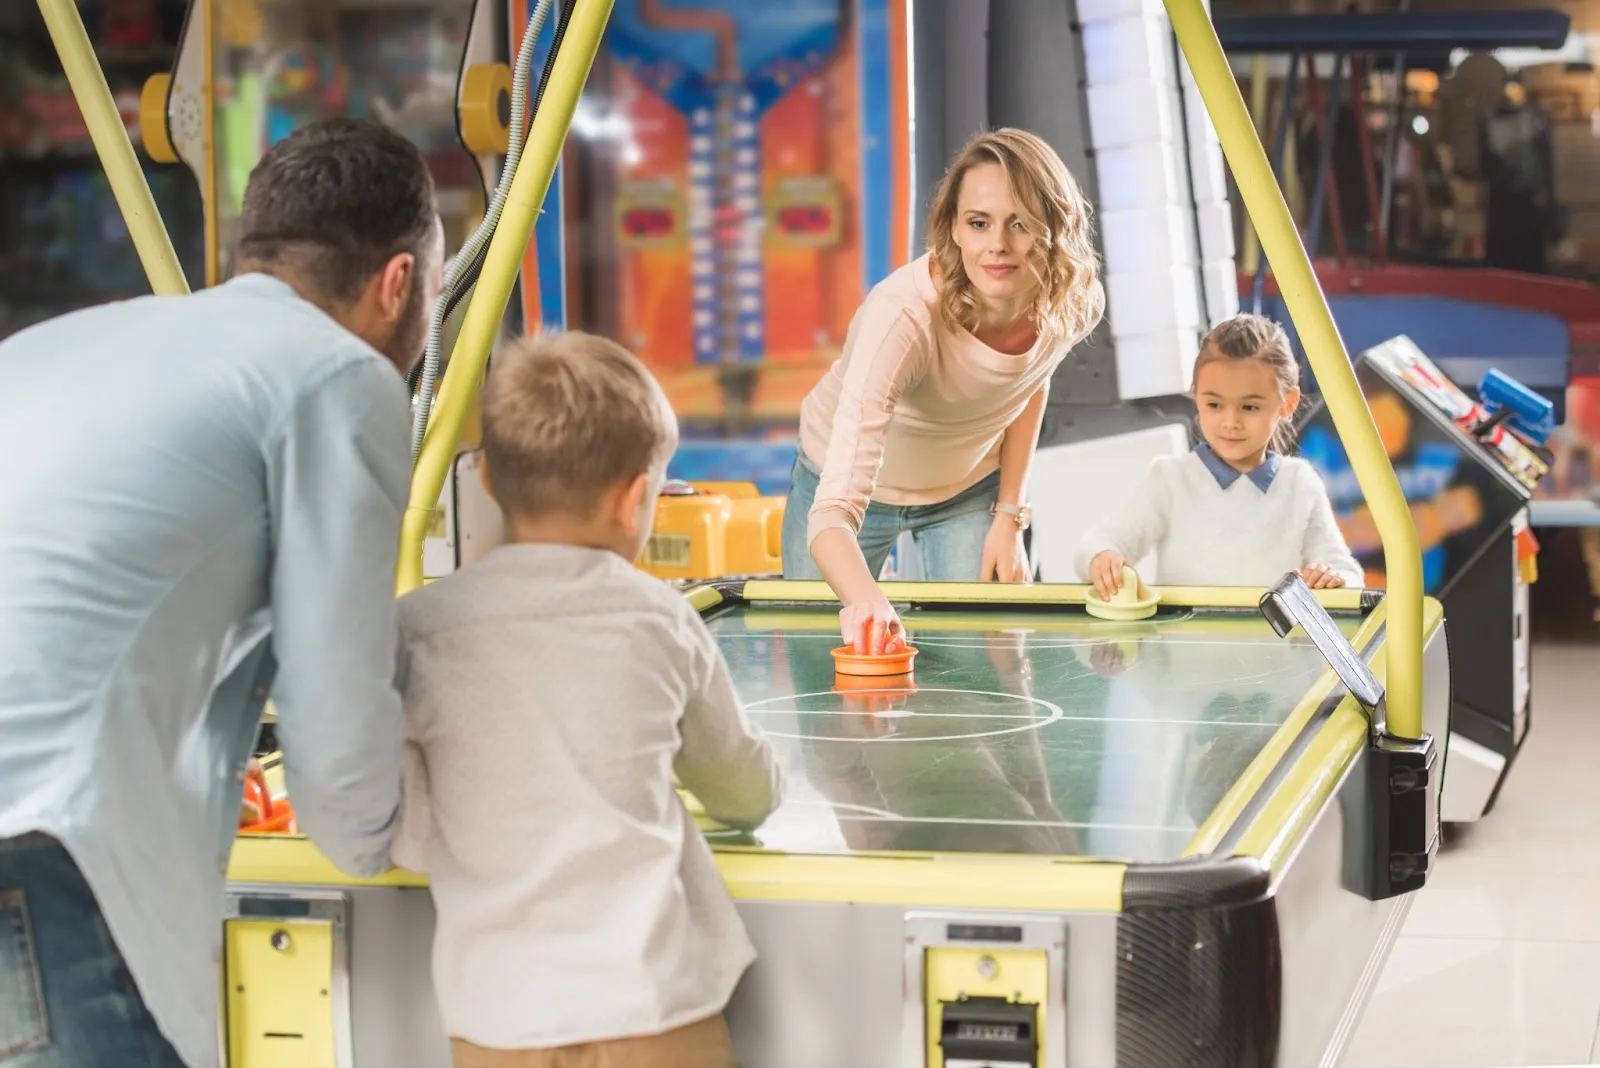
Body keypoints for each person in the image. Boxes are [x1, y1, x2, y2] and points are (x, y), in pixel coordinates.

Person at [0, 118, 443, 1068]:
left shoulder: (63, 346)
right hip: (30, 848)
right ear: (398, 283)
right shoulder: (337, 376)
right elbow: (336, 714)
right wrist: (430, 835)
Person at [388, 332, 784, 1068]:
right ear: (636, 498)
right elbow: (738, 786)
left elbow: (407, 831)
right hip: (653, 1005)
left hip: (497, 1020)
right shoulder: (660, 617)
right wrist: (767, 787)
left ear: (487, 483)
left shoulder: (419, 630)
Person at [784, 128, 1105, 655]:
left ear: (1055, 229)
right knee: (824, 663)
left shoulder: (1074, 300)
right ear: (953, 228)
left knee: (988, 667)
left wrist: (1010, 514)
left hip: (965, 489)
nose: (998, 245)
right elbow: (831, 513)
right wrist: (866, 602)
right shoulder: (903, 319)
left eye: (1021, 223)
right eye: (978, 223)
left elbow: (1026, 385)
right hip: (841, 491)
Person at [1076, 314, 1363, 595]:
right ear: (1196, 396)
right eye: (1214, 404)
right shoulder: (1170, 479)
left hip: (1274, 643)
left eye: (1249, 407)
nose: (1230, 422)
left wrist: (1333, 578)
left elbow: (1346, 570)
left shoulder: (1300, 482)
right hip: (1183, 644)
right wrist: (1103, 558)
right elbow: (1100, 543)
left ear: (1288, 404)